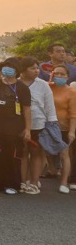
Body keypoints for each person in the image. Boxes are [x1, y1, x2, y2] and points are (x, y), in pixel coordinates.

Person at [0, 58, 30, 195]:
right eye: (5, 66)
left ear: (17, 71)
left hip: (15, 126)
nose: (7, 69)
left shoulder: (22, 88)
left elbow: (27, 109)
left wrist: (27, 129)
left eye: (11, 67)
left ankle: (12, 184)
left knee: (12, 156)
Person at [19, 56, 55, 194]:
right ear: (23, 70)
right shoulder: (16, 83)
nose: (36, 70)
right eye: (32, 68)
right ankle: (23, 181)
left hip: (39, 123)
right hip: (19, 124)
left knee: (36, 153)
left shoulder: (43, 85)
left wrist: (51, 124)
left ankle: (34, 182)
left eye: (37, 68)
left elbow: (49, 106)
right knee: (22, 153)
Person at [49, 65, 76, 193]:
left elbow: (73, 114)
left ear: (67, 76)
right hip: (48, 125)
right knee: (45, 151)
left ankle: (64, 182)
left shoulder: (72, 91)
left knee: (64, 154)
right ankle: (50, 171)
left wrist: (72, 131)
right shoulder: (48, 87)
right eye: (56, 73)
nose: (59, 76)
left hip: (64, 127)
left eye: (62, 74)